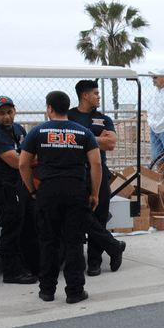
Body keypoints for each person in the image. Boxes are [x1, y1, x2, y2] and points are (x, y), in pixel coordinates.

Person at [19, 91, 101, 305]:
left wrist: (32, 190)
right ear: (68, 107)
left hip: (48, 191)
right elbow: (96, 164)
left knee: (48, 241)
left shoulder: (37, 132)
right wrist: (94, 193)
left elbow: (22, 164)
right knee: (74, 242)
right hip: (76, 190)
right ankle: (75, 291)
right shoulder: (84, 133)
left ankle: (47, 290)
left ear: (49, 109)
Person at [68, 80, 127, 276]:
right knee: (80, 216)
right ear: (84, 95)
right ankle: (113, 246)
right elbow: (67, 140)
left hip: (98, 171)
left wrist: (80, 139)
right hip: (75, 172)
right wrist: (94, 139)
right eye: (95, 93)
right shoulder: (69, 116)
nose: (99, 96)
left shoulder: (103, 119)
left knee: (99, 216)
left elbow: (110, 144)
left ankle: (94, 262)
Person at [0, 95, 39, 284]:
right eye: (1, 113)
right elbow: (17, 162)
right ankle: (11, 272)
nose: (6, 117)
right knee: (11, 229)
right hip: (4, 187)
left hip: (20, 185)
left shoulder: (18, 129)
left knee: (29, 225)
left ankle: (31, 265)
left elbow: (27, 150)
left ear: (14, 111)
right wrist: (39, 157)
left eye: (9, 112)